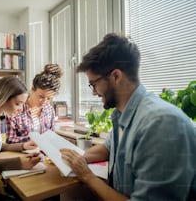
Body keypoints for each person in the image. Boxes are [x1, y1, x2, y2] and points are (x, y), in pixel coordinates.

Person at [60, 33, 196, 200]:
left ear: (116, 76)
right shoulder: (122, 114)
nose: (93, 92)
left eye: (94, 84)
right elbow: (107, 149)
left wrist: (88, 176)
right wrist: (76, 159)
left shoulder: (161, 124)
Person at [5, 64, 63, 144]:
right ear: (33, 88)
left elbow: (51, 136)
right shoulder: (16, 108)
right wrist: (35, 141)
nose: (44, 102)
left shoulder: (50, 110)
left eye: (49, 98)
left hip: (43, 154)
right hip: (22, 154)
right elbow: (10, 139)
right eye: (41, 96)